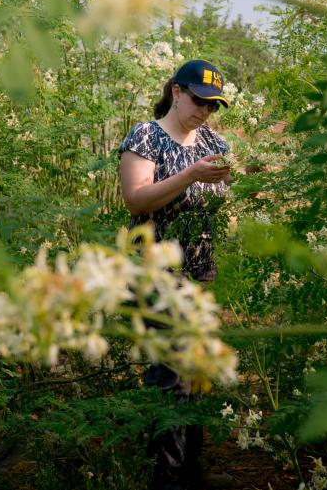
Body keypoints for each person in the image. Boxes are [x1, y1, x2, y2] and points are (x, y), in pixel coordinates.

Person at [118, 59, 233, 490]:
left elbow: (217, 205)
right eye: (200, 101)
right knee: (170, 378)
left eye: (214, 105)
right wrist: (190, 174)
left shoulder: (214, 141)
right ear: (177, 91)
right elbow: (136, 200)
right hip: (155, 275)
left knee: (197, 372)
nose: (206, 111)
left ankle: (191, 468)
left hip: (200, 272)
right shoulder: (145, 136)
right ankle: (166, 479)